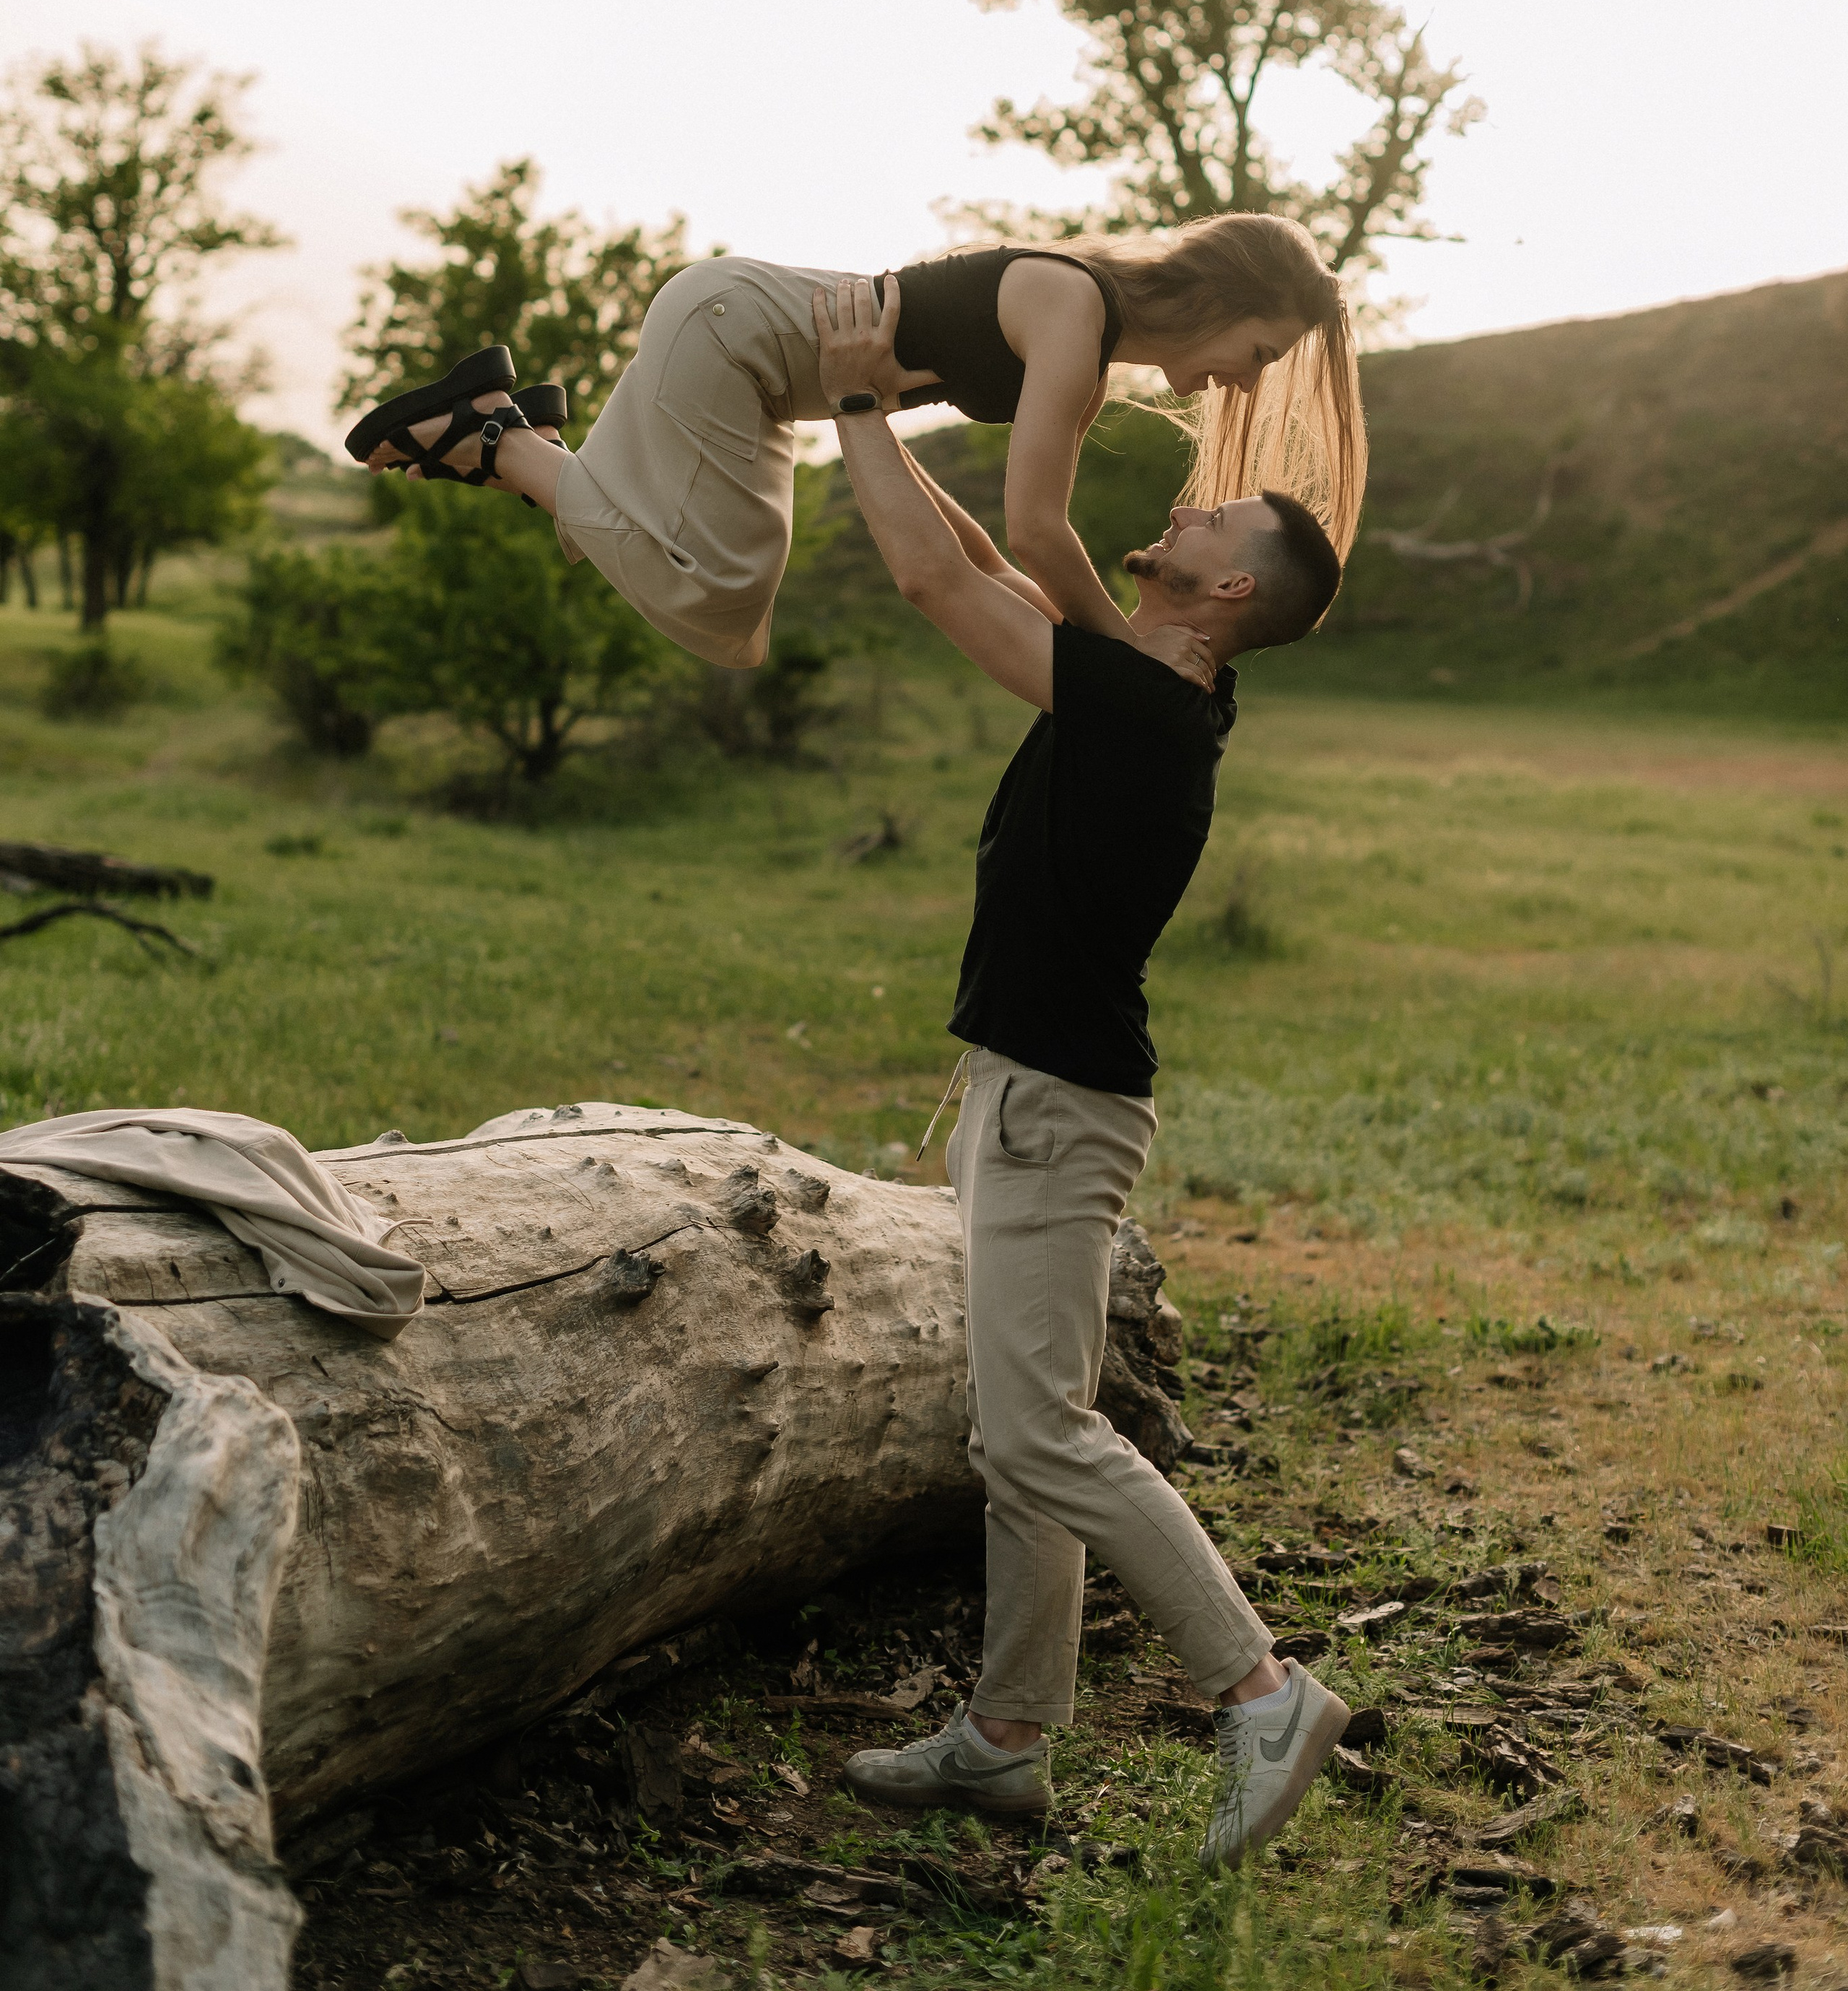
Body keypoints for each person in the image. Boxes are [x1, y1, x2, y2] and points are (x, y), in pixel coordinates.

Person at [803, 276, 1356, 1871]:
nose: (1185, 503)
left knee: (1043, 1431)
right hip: (1026, 1089)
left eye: (1212, 513)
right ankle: (1004, 1739)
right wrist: (893, 432)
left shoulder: (1144, 705)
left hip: (1057, 1105)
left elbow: (933, 577)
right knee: (1017, 1431)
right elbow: (986, 563)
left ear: (1228, 585)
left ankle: (1260, 1691)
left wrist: (855, 405)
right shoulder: (1150, 683)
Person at [341, 217, 1366, 671]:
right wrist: (1128, 650)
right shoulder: (1074, 311)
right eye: (1260, 351)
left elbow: (992, 553)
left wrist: (1067, 631)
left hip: (767, 377)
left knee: (730, 616)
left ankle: (503, 437)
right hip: (735, 335)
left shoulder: (1084, 347)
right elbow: (1038, 530)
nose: (1247, 381)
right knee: (724, 591)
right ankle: (502, 444)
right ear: (1223, 297)